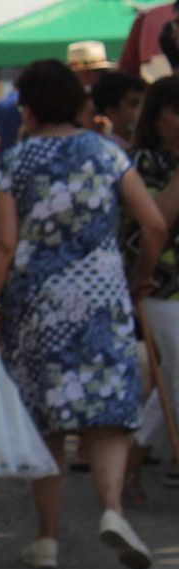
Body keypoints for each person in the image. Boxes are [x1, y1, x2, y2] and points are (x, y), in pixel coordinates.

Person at [0, 59, 163, 569]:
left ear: (27, 108)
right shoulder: (106, 153)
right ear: (79, 104)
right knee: (106, 412)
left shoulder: (16, 162)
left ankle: (48, 538)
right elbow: (154, 223)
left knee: (47, 417)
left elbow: (4, 243)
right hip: (102, 292)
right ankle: (113, 511)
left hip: (38, 301)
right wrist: (141, 274)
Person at [122, 77, 179, 487]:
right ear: (157, 117)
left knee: (174, 379)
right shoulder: (143, 163)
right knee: (177, 375)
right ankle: (130, 460)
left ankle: (131, 459)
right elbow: (154, 224)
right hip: (161, 283)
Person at [91, 71, 145, 152]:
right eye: (134, 104)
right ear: (112, 112)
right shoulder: (106, 152)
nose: (142, 109)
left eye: (144, 103)